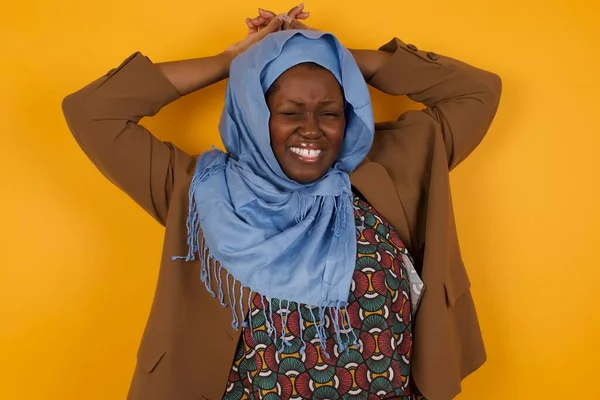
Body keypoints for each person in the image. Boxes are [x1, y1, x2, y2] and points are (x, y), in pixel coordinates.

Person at [61, 4, 501, 400]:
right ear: (254, 112)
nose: (311, 129)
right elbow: (93, 111)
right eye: (289, 112)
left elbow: (477, 92)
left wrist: (328, 54)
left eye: (329, 112)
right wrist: (232, 62)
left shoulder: (391, 171)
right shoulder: (197, 191)